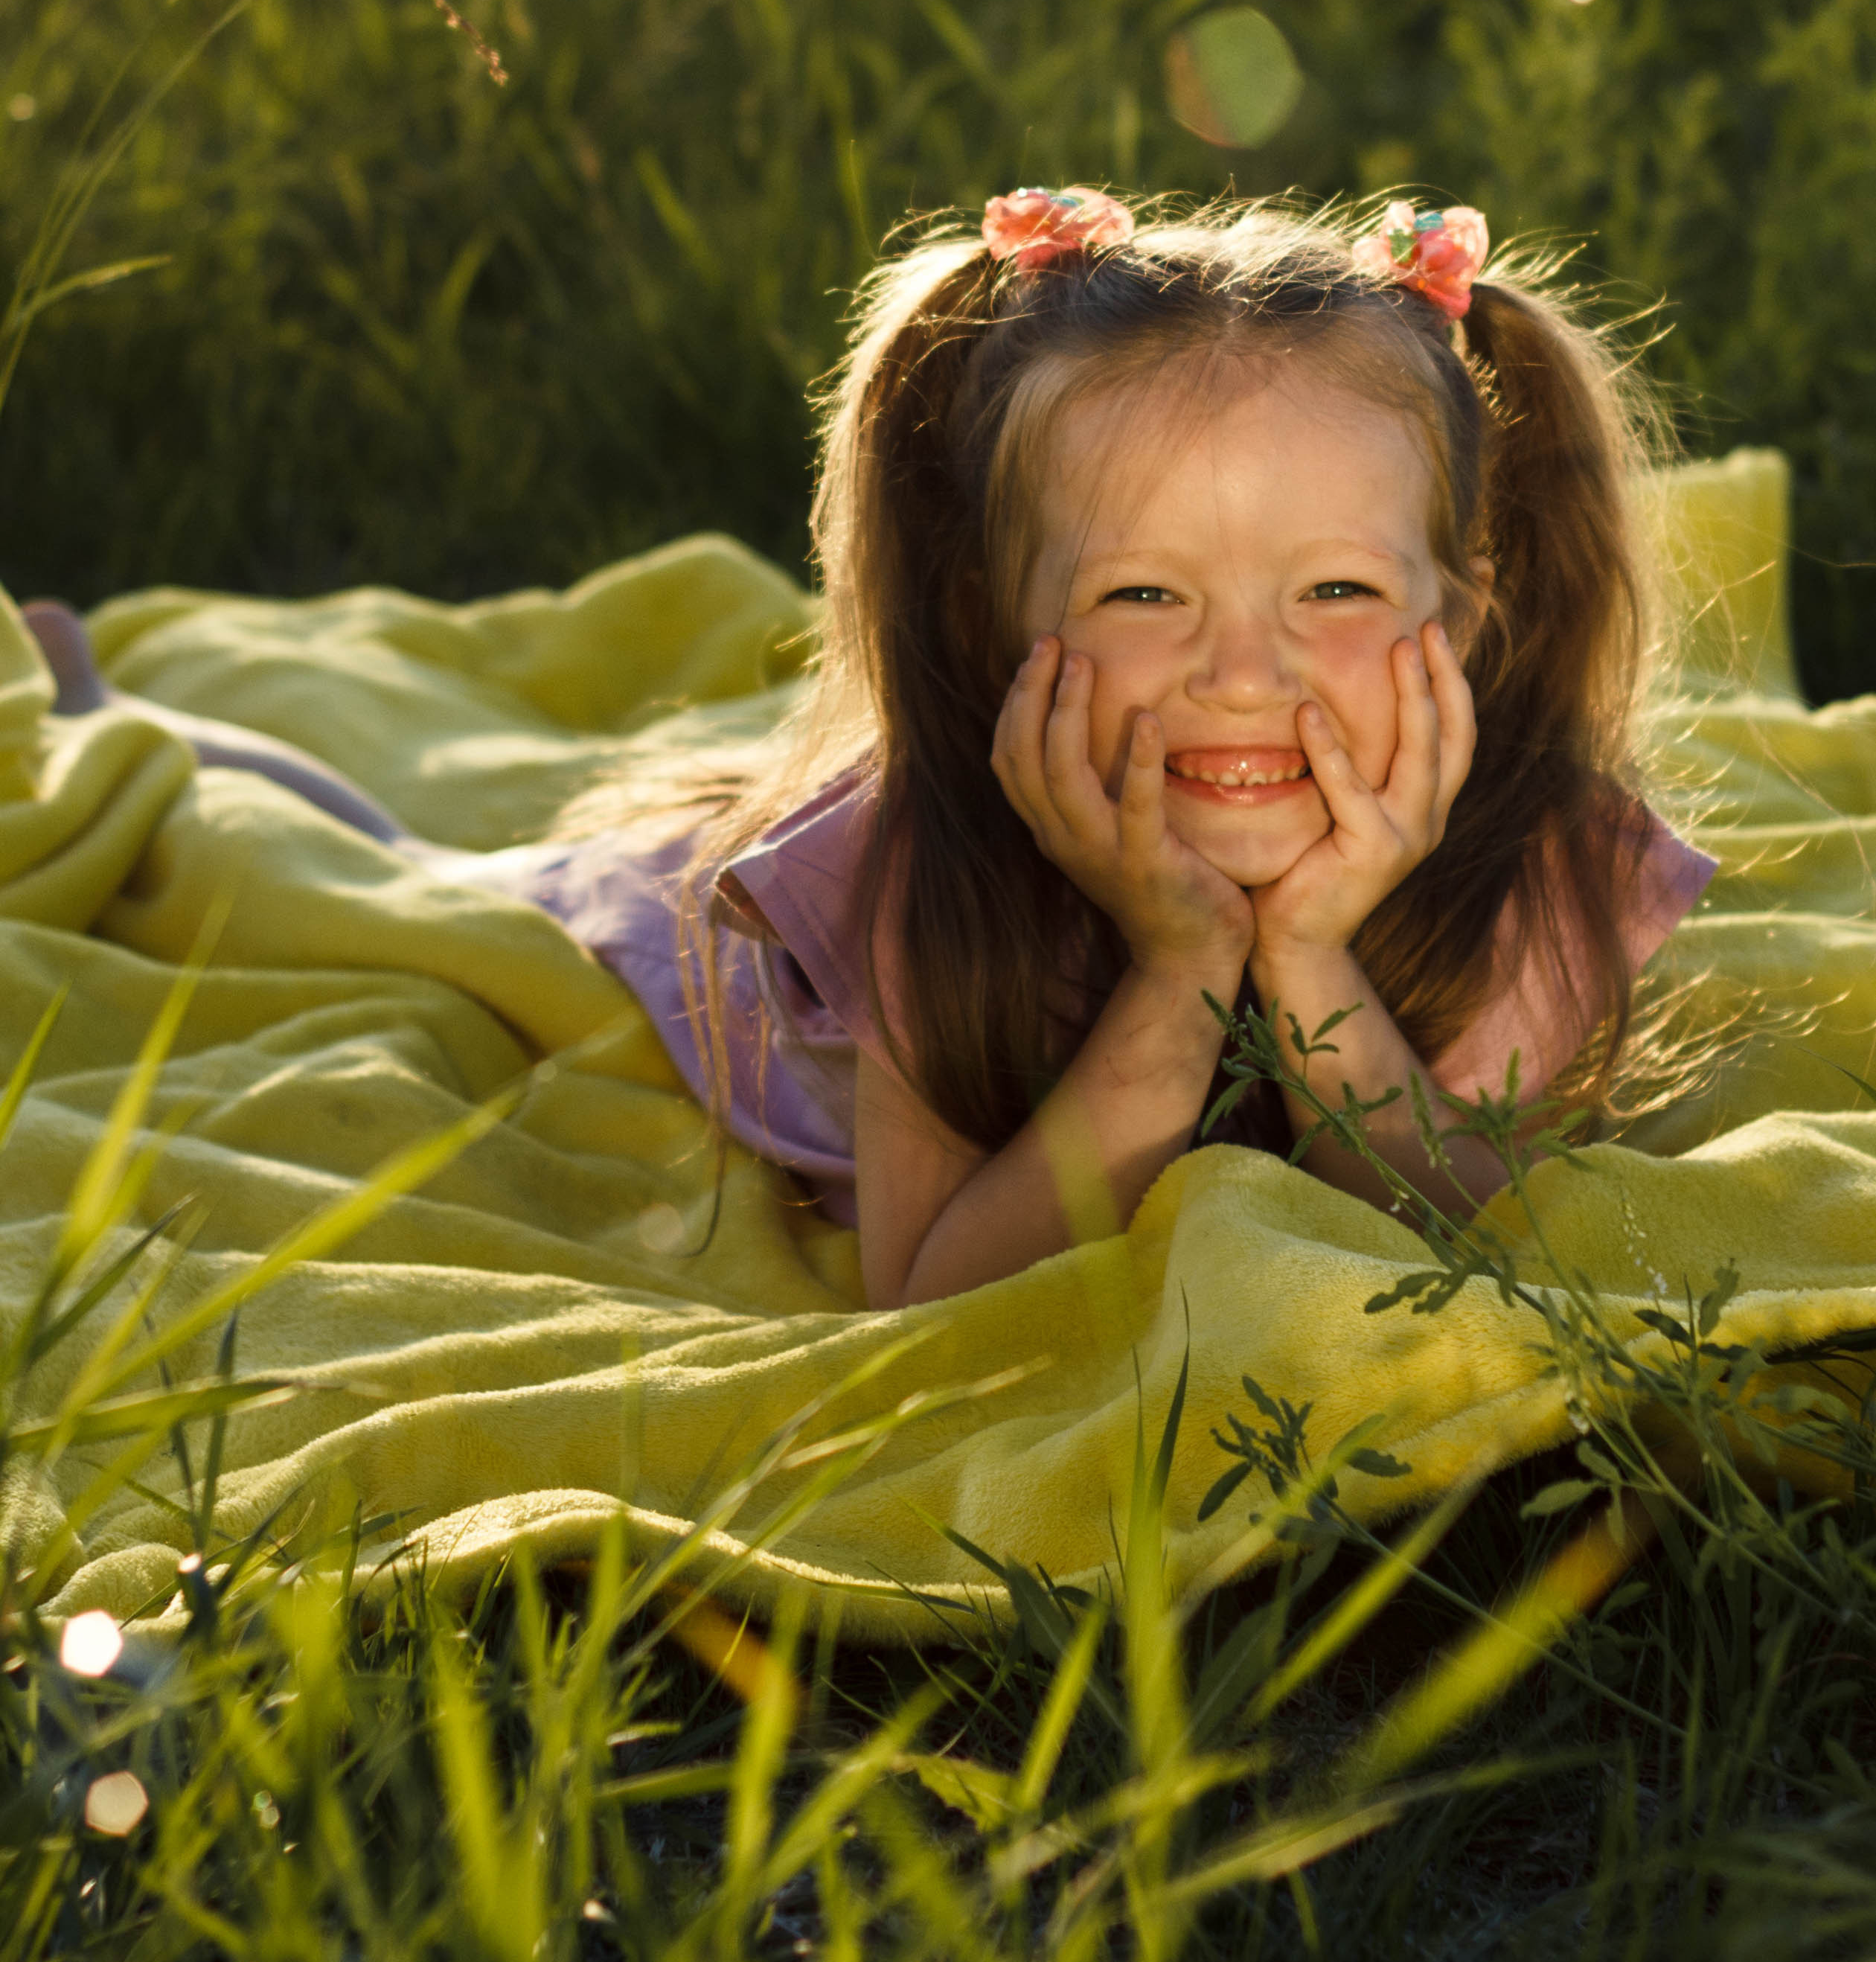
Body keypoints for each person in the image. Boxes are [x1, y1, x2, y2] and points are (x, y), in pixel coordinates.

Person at [27, 191, 1714, 1311]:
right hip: (713, 966)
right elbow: (938, 1289)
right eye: (1144, 591)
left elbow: (1470, 1237)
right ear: (993, 615)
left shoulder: (1535, 856)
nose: (1239, 672)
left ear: (1466, 609)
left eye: (1332, 587)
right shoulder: (934, 853)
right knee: (403, 882)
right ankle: (108, 717)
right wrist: (1188, 960)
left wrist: (1314, 950)